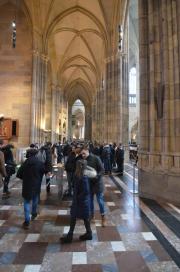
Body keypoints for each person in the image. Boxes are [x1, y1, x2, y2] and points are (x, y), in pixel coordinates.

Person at [60, 160, 92, 243]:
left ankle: (70, 236)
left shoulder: (83, 177)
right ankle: (88, 233)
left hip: (80, 202)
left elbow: (86, 191)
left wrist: (77, 198)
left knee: (74, 217)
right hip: (81, 202)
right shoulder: (80, 175)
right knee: (83, 217)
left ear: (79, 167)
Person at [16, 149, 45, 229]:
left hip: (27, 185)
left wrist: (25, 178)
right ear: (36, 155)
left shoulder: (26, 163)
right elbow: (43, 171)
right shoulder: (39, 163)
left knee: (26, 202)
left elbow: (18, 174)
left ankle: (27, 221)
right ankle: (34, 213)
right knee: (35, 199)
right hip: (36, 184)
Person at [81, 148, 106, 227]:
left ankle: (103, 217)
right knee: (90, 201)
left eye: (84, 153)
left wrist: (96, 176)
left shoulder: (96, 158)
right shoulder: (83, 160)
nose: (83, 155)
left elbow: (102, 170)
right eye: (82, 154)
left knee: (100, 201)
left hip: (98, 183)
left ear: (88, 151)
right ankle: (91, 215)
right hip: (89, 184)